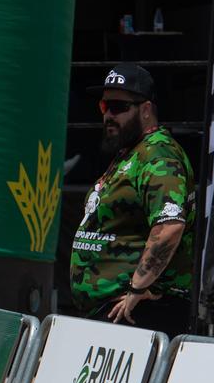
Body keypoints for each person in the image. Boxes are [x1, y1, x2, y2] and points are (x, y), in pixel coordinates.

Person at [68, 64, 194, 334]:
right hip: (111, 312)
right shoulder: (131, 152)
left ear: (146, 110)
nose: (109, 116)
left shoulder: (159, 154)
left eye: (119, 107)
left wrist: (138, 287)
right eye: (105, 107)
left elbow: (170, 225)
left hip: (138, 315)